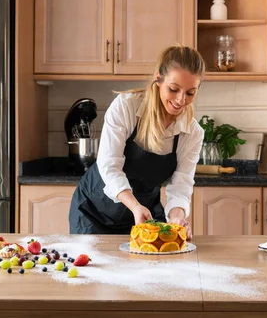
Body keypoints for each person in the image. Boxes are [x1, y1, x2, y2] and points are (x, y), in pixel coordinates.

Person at [69, 45, 206, 239]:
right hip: (93, 212)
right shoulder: (126, 106)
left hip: (144, 214)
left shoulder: (192, 133)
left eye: (190, 93)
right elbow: (109, 165)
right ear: (158, 78)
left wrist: (177, 218)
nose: (181, 100)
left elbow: (181, 185)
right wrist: (134, 206)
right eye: (174, 89)